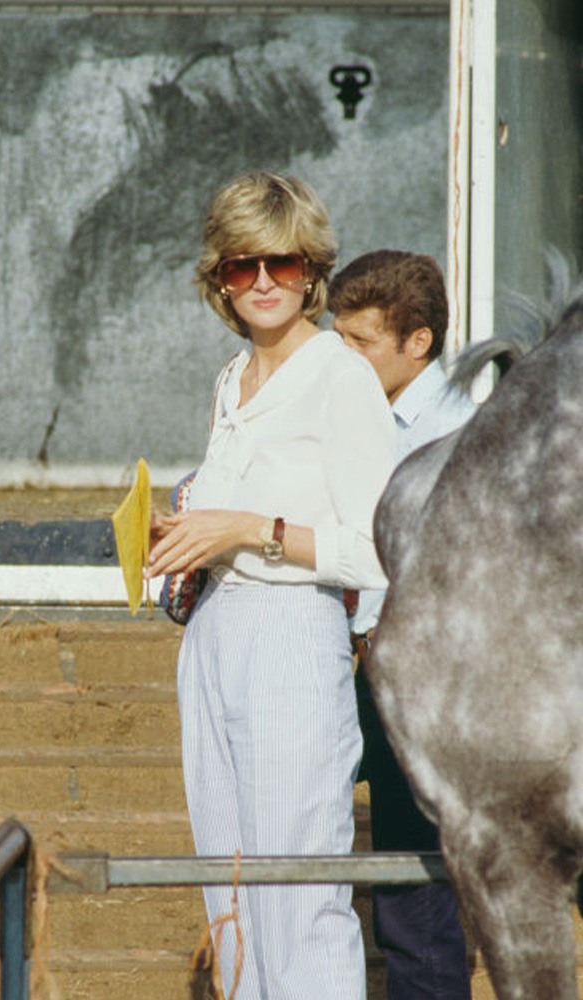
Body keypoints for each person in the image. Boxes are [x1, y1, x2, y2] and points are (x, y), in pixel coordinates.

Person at [146, 172, 396, 1000]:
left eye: (281, 266)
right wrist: (189, 534)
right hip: (215, 632)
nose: (261, 283)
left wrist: (250, 530)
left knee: (299, 892)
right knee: (230, 893)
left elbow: (379, 552)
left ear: (311, 271)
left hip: (293, 632)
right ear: (219, 275)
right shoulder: (231, 380)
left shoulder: (341, 376)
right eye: (241, 265)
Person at [329, 249, 476, 1000]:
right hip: (365, 658)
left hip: (423, 675)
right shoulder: (363, 415)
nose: (343, 356)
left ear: (418, 342)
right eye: (339, 338)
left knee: (417, 881)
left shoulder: (455, 431)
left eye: (361, 341)